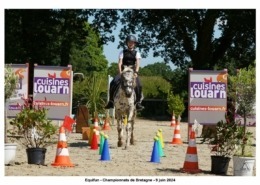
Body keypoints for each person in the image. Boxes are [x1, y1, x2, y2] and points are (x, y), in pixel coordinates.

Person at [105, 35, 144, 111]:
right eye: (129, 42)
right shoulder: (122, 52)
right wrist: (120, 73)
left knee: (139, 84)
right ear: (127, 43)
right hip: (123, 70)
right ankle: (111, 101)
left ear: (134, 44)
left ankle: (138, 103)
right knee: (113, 82)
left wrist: (136, 72)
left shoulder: (137, 53)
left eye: (132, 42)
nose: (131, 44)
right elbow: (119, 63)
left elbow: (138, 63)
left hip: (132, 71)